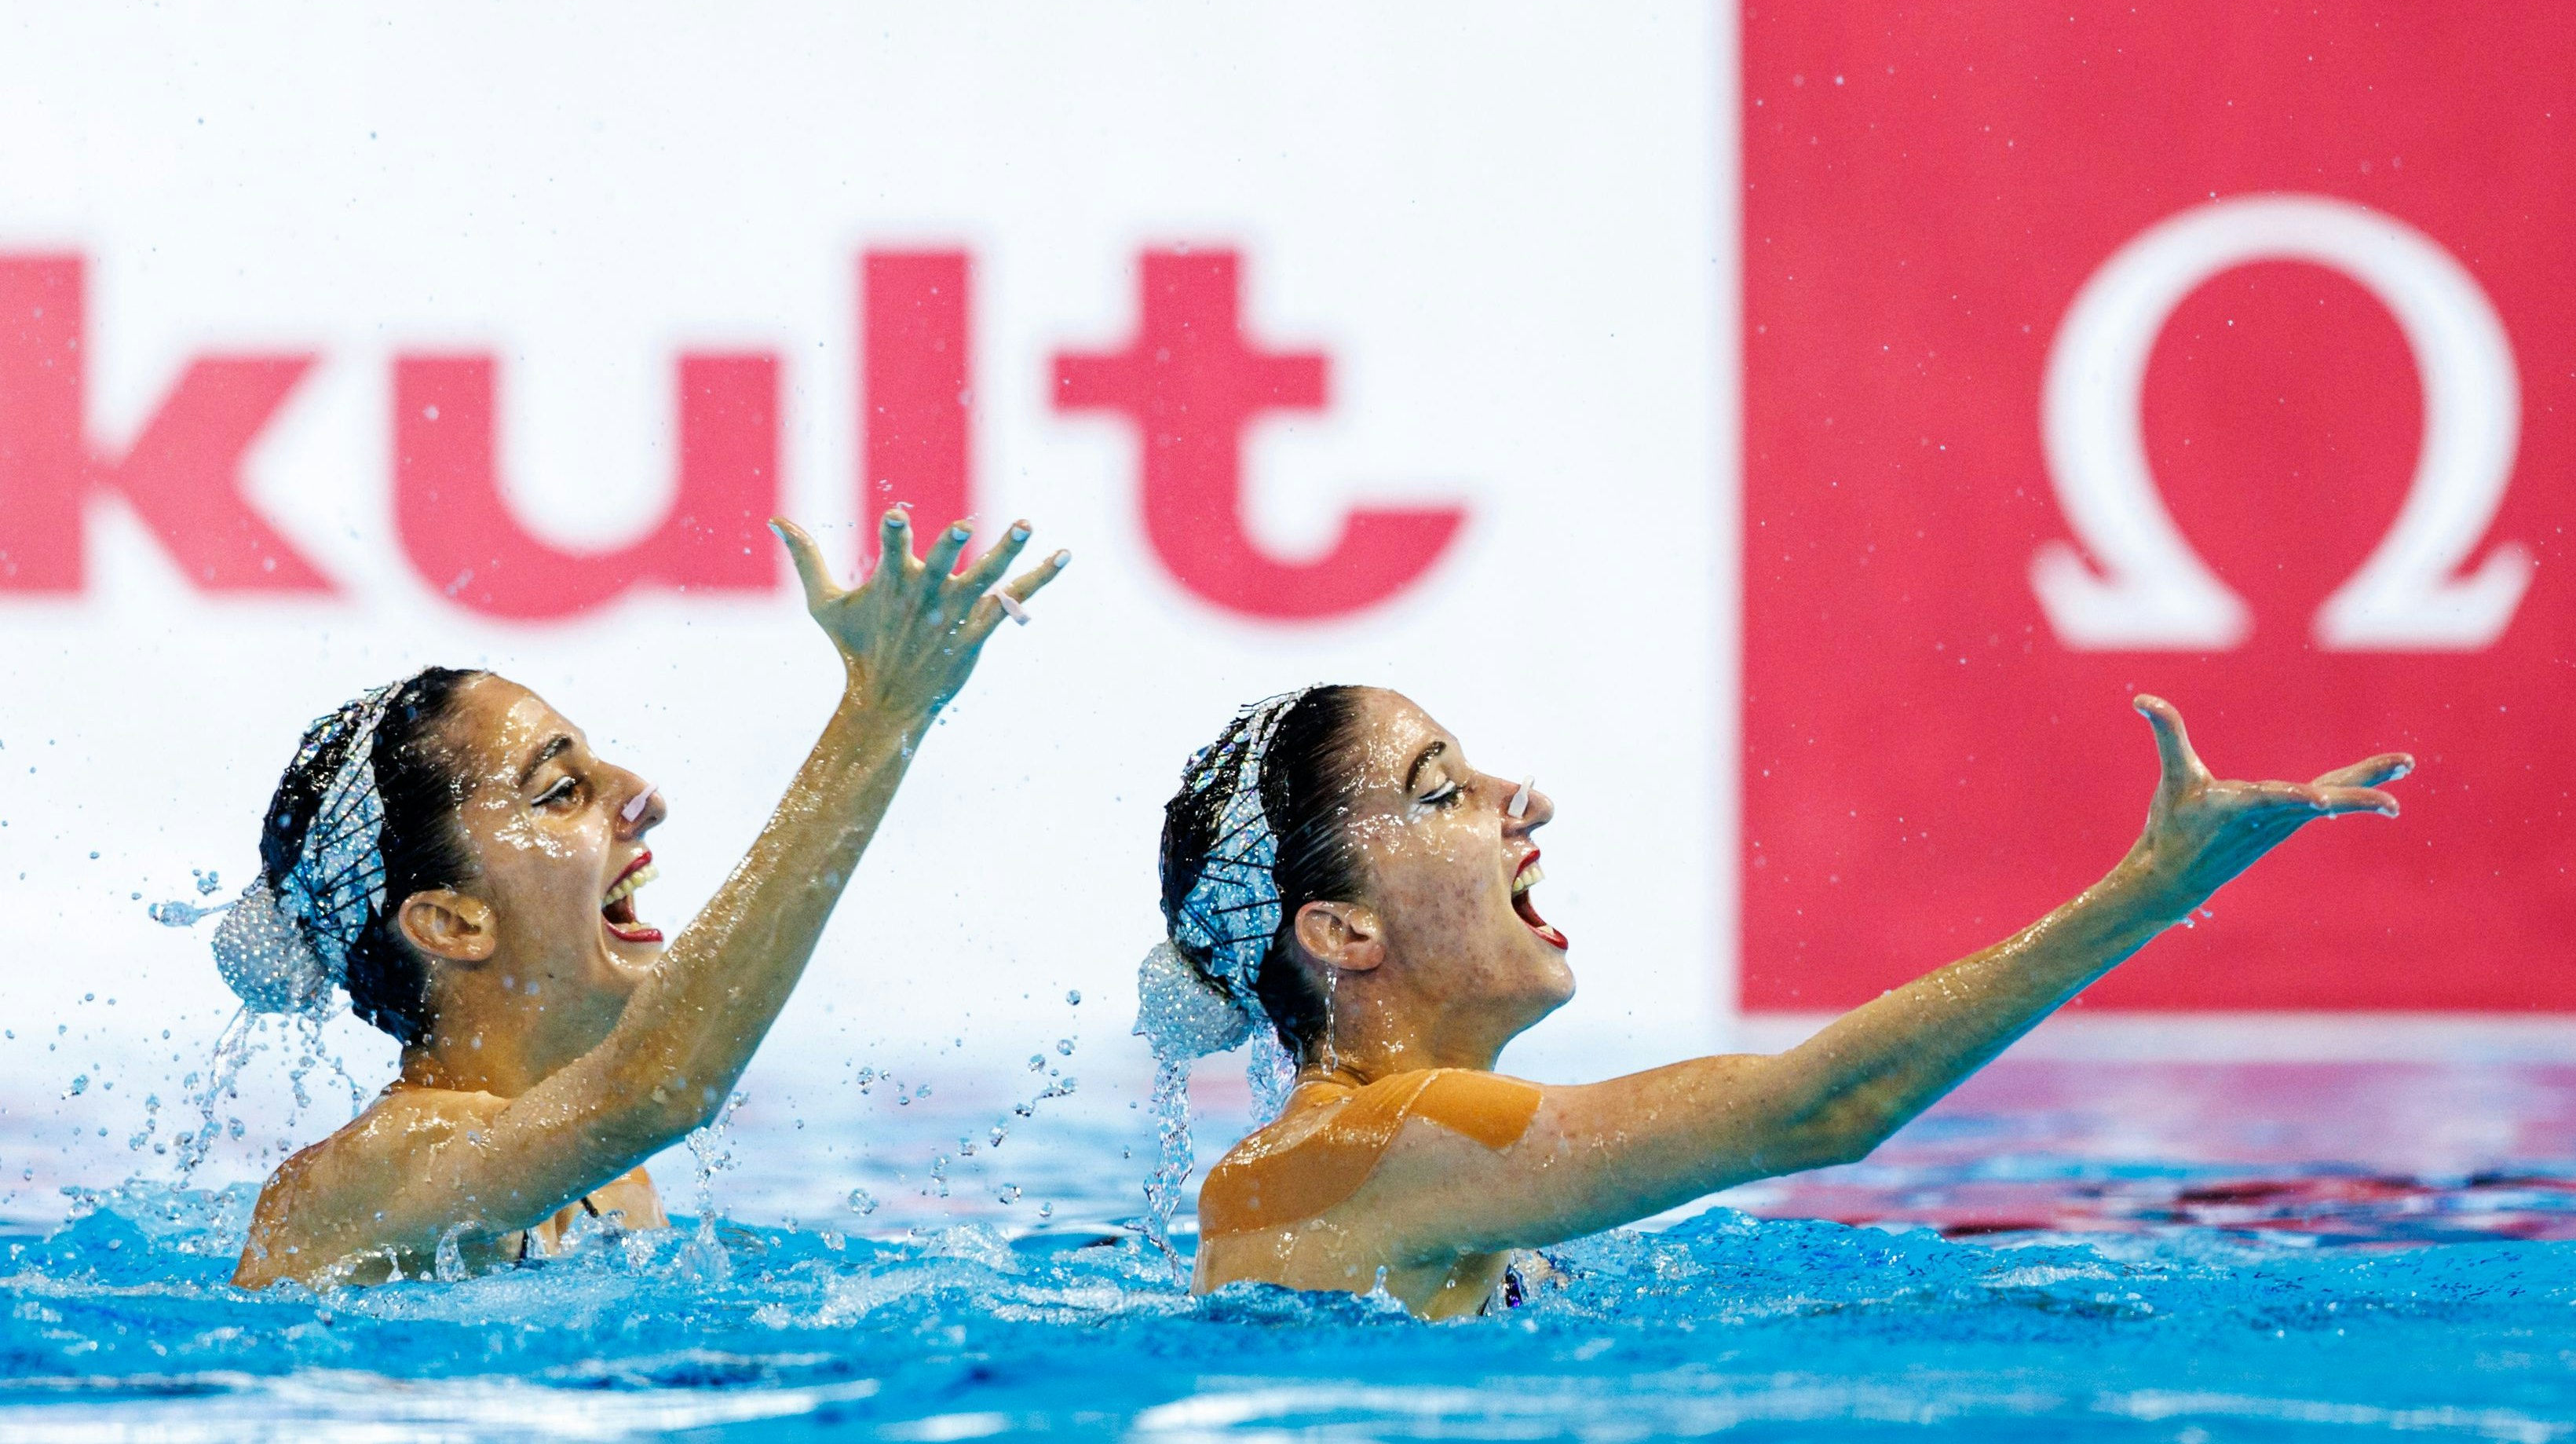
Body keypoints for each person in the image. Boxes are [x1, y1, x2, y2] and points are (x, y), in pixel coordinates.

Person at [1142, 685, 2409, 1318]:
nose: (1517, 798)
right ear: (1341, 932)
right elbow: (1823, 1108)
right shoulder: (1343, 1151)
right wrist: (2147, 888)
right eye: (1440, 791)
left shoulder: (1452, 1196)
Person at [221, 512, 1066, 1289]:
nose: (642, 796)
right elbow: (661, 1086)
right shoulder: (358, 1178)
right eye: (560, 791)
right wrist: (882, 710)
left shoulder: (614, 1187)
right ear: (450, 921)